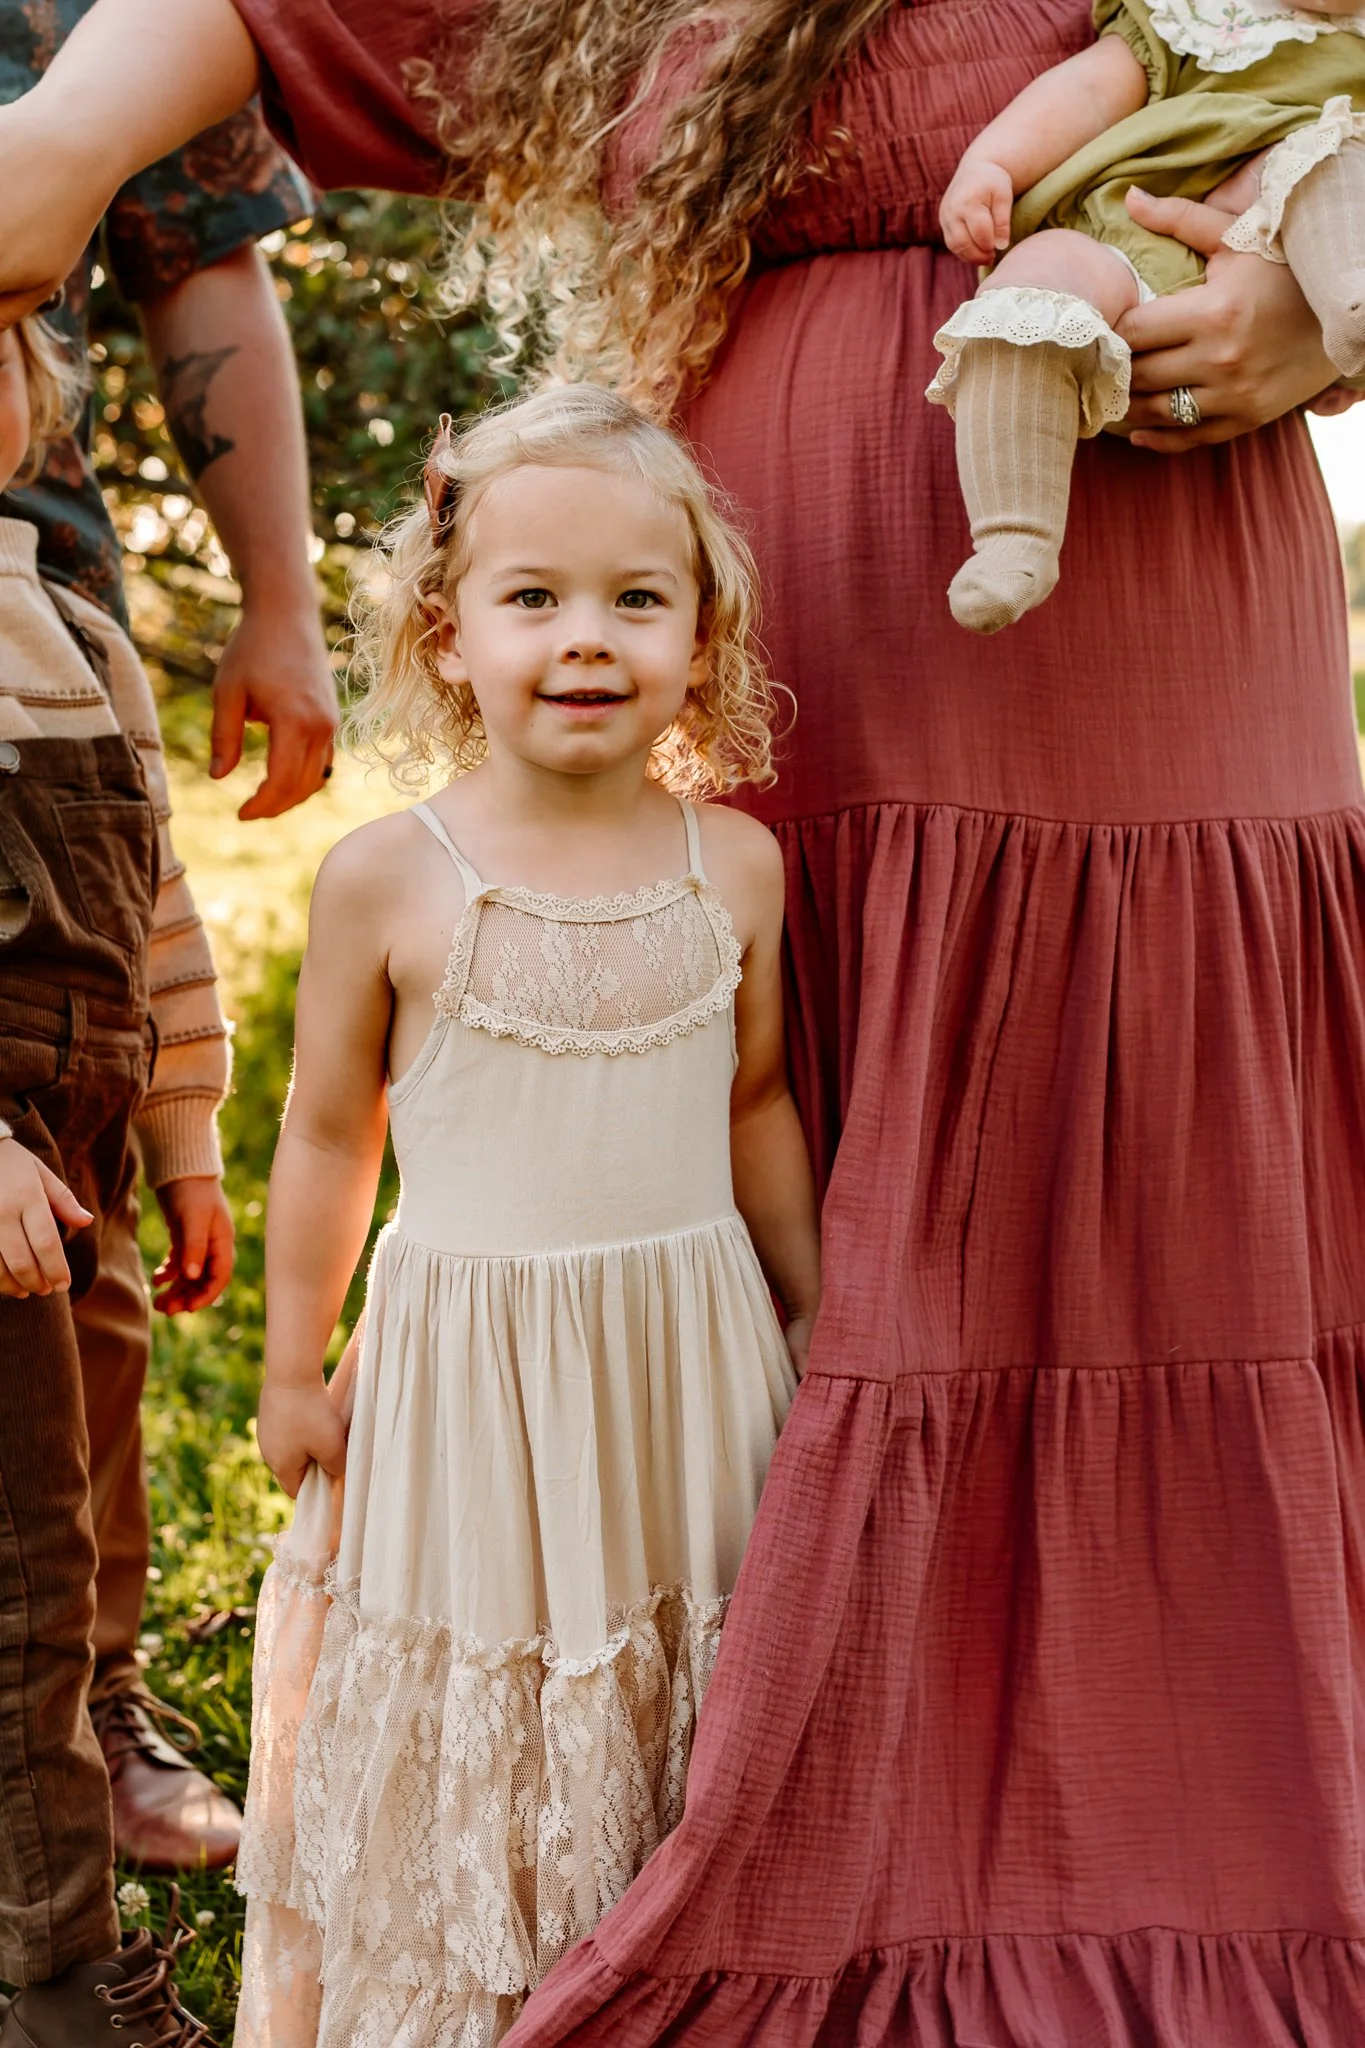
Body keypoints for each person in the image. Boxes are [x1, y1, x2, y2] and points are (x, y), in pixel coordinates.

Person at [4, 4, 1365, 2043]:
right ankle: (831, 1832)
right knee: (805, 1212)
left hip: (1148, 647)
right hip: (785, 675)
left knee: (1155, 1235)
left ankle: (1171, 1849)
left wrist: (1329, 299)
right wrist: (60, 146)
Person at [232, 384, 818, 2047]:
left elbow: (757, 1101)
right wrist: (292, 1362)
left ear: (702, 635)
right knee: (487, 1695)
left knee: (674, 1683)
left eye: (638, 599)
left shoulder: (738, 870)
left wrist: (815, 1298)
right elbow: (333, 1131)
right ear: (447, 631)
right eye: (534, 597)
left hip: (682, 1360)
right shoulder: (392, 875)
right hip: (470, 1375)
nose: (587, 639)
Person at [0, 4, 338, 1876]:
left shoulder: (87, 8)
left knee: (79, 1279)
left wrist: (276, 603)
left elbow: (203, 257)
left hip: (36, 636)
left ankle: (87, 1701)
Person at [0, 313, 223, 2043]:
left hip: (83, 1173)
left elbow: (155, 907)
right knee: (19, 1592)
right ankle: (64, 1983)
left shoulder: (73, 627)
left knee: (72, 1550)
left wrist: (189, 1137)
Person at [929, 0, 1365, 630]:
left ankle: (1351, 299)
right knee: (1031, 291)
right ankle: (1012, 537)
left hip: (1290, 267)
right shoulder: (1198, 12)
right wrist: (994, 162)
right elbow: (1087, 92)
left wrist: (1332, 359)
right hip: (1124, 230)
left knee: (1334, 155)